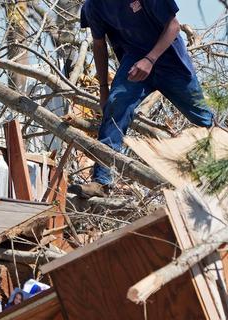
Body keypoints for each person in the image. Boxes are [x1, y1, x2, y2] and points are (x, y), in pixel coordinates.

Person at [71, 0, 213, 197]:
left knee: (203, 119)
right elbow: (98, 44)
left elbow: (173, 26)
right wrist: (104, 90)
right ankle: (101, 182)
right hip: (135, 62)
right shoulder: (94, 6)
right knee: (116, 105)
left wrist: (150, 59)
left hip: (170, 60)